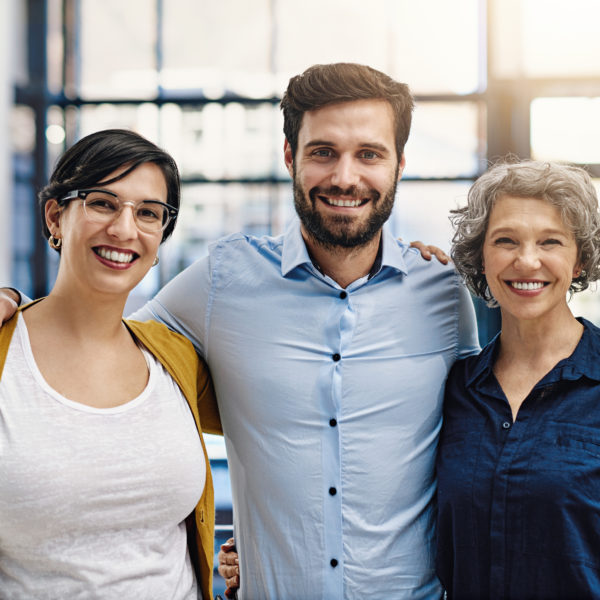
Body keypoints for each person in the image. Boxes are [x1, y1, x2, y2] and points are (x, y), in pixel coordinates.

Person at [1, 63, 479, 599]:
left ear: (399, 164)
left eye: (369, 154)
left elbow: (476, 442)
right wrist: (13, 304)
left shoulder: (441, 294)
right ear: (290, 157)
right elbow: (103, 331)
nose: (346, 177)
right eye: (323, 152)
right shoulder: (223, 280)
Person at [0, 129, 221, 599]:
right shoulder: (5, 356)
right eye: (103, 203)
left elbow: (291, 431)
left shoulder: (175, 357)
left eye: (147, 213)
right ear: (55, 216)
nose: (124, 229)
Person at [436, 160, 600, 599]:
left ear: (579, 259)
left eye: (550, 242)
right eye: (505, 240)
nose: (527, 261)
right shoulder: (454, 390)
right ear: (480, 256)